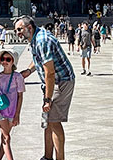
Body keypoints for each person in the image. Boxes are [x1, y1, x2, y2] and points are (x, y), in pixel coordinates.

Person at [16, 15, 75, 160]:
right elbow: (39, 59)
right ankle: (47, 156)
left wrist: (48, 99)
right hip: (53, 82)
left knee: (54, 121)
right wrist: (29, 71)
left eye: (19, 29)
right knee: (48, 120)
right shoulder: (36, 37)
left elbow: (50, 73)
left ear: (29, 27)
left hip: (61, 82)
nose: (17, 33)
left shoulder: (42, 40)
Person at [0, 49, 25, 160]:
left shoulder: (17, 77)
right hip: (1, 111)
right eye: (2, 59)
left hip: (13, 111)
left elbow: (20, 96)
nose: (5, 62)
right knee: (6, 137)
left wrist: (17, 114)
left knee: (5, 138)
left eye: (8, 59)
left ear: (13, 61)